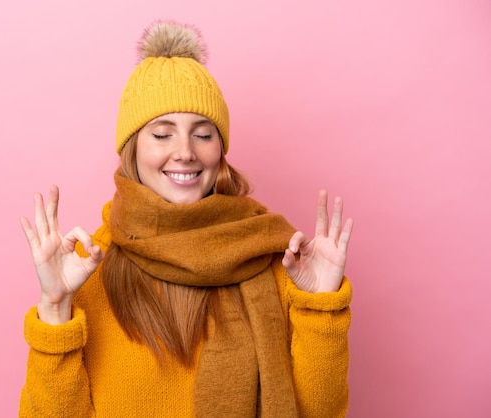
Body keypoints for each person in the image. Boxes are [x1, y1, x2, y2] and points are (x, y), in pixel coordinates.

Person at [18, 20, 354, 418]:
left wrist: (321, 306)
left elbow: (319, 413)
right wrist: (56, 308)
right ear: (132, 151)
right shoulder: (88, 269)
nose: (185, 152)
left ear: (221, 148)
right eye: (162, 134)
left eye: (203, 133)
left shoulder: (277, 261)